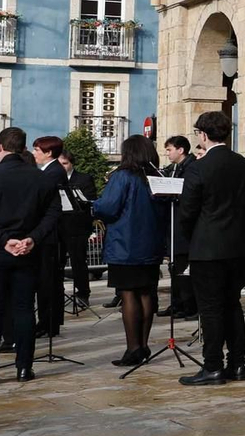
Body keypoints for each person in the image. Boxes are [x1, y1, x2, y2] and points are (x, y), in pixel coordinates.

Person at [0, 128, 56, 385]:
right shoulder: (42, 178)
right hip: (27, 251)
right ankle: (24, 367)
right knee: (25, 309)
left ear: (0, 148)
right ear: (23, 148)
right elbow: (52, 215)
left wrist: (5, 240)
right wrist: (31, 238)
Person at [174, 111, 245, 386]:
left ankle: (213, 366)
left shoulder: (198, 168)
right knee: (232, 304)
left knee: (210, 309)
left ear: (203, 135)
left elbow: (187, 211)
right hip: (238, 246)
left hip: (207, 247)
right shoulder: (244, 164)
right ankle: (238, 364)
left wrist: (192, 238)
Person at [92, 136, 166, 366]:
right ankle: (143, 345)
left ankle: (133, 348)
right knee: (145, 293)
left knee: (128, 295)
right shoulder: (157, 177)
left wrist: (93, 206)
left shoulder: (122, 176)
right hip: (151, 244)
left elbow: (108, 207)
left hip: (126, 244)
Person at [30, 136, 75, 340]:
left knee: (48, 281)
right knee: (48, 281)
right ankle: (49, 321)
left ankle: (48, 322)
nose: (34, 154)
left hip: (52, 236)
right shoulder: (50, 170)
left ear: (48, 153)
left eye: (37, 150)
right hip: (52, 234)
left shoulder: (53, 172)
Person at [160, 136, 197, 318]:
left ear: (180, 150)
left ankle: (188, 304)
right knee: (174, 267)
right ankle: (177, 303)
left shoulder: (190, 167)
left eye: (169, 150)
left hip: (183, 225)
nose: (167, 153)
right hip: (173, 223)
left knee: (183, 267)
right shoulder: (174, 169)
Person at [56, 151, 97, 310]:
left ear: (71, 163)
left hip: (77, 227)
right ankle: (57, 293)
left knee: (78, 262)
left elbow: (90, 200)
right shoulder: (53, 179)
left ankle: (83, 293)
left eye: (65, 164)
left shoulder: (84, 179)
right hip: (59, 226)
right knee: (57, 262)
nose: (62, 167)